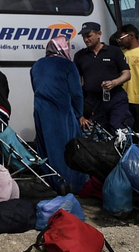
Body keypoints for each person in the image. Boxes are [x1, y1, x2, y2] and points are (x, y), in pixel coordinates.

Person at [31, 36, 88, 193]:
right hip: (61, 111)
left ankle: (50, 183)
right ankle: (69, 185)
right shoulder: (68, 65)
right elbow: (76, 93)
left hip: (40, 111)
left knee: (46, 147)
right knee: (66, 148)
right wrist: (78, 113)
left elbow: (35, 88)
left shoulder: (36, 65)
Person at [73, 22, 133, 134]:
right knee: (99, 134)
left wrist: (114, 82)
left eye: (89, 36)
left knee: (120, 132)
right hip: (93, 102)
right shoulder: (79, 56)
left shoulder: (114, 51)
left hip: (116, 98)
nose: (86, 40)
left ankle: (123, 151)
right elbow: (76, 82)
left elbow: (127, 74)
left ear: (99, 34)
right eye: (84, 37)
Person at [117, 24, 139, 131]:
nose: (119, 41)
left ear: (131, 36)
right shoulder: (120, 54)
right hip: (124, 100)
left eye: (121, 38)